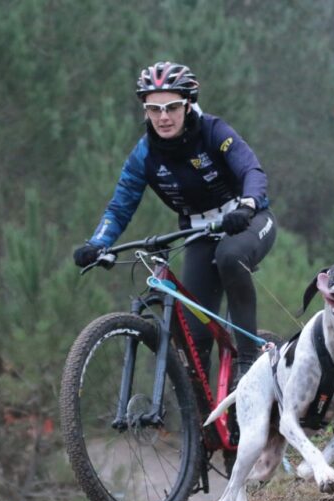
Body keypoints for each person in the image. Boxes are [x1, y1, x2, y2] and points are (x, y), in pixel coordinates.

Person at [74, 61, 276, 387]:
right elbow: (120, 205)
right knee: (194, 342)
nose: (163, 117)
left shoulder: (213, 131)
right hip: (197, 232)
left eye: (171, 107)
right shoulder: (144, 155)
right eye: (153, 109)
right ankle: (202, 430)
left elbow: (252, 170)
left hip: (247, 221)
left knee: (229, 256)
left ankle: (248, 361)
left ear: (188, 103)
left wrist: (247, 205)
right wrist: (98, 243)